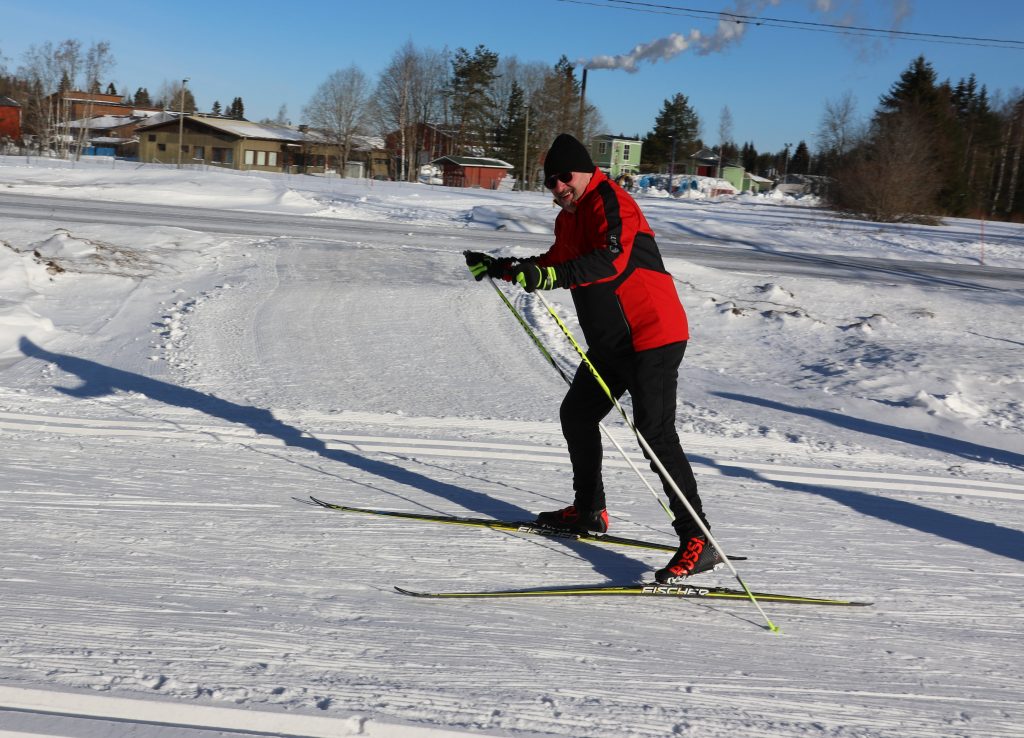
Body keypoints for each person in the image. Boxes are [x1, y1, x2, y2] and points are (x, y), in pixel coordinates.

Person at [464, 133, 721, 583]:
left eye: (565, 176)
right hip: (611, 344)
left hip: (652, 335)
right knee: (578, 415)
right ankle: (589, 512)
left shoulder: (611, 201)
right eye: (550, 181)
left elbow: (611, 259)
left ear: (585, 171)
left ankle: (699, 539)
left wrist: (547, 274)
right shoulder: (570, 218)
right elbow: (555, 262)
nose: (559, 186)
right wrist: (505, 267)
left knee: (654, 434)